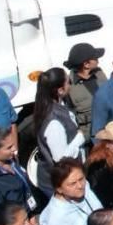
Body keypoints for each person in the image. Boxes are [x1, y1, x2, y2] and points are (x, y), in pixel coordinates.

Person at [39, 158, 103, 225]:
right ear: (59, 189)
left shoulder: (84, 186)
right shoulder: (55, 218)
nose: (80, 186)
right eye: (72, 184)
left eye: (81, 179)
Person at [33, 68, 86, 198]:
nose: (71, 84)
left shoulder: (57, 104)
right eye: (68, 82)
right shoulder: (53, 123)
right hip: (59, 184)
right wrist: (79, 138)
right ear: (60, 90)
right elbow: (60, 158)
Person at [0, 124, 37, 213]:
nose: (14, 149)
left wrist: (31, 213)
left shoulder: (12, 161)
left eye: (13, 145)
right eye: (9, 148)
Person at [65, 44, 107, 141]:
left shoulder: (99, 73)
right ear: (86, 64)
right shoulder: (69, 86)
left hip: (109, 128)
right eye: (95, 58)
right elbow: (71, 114)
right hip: (90, 136)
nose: (98, 60)